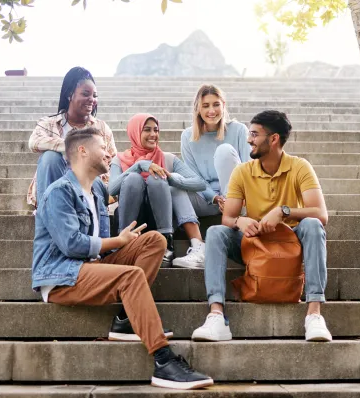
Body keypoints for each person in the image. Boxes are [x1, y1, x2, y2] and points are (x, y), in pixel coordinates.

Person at [32, 127, 213, 390]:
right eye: (102, 147)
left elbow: (100, 249)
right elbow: (71, 245)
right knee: (131, 276)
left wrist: (122, 245)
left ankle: (126, 320)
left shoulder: (95, 190)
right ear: (82, 151)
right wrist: (119, 242)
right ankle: (163, 361)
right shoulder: (60, 191)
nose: (108, 152)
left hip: (91, 267)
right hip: (61, 275)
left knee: (155, 241)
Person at [192, 110, 332, 343]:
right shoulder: (243, 171)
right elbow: (227, 218)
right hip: (253, 242)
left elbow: (321, 214)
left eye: (255, 134)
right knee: (216, 231)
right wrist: (240, 221)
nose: (249, 139)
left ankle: (314, 314)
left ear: (274, 139)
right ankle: (216, 315)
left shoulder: (300, 167)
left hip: (290, 242)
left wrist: (283, 211)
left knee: (313, 225)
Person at [108, 113, 206, 267]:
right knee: (133, 179)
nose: (153, 134)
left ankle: (167, 245)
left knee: (157, 178)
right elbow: (112, 189)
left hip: (161, 219)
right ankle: (124, 244)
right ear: (135, 132)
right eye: (147, 130)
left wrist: (171, 178)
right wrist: (139, 166)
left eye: (156, 130)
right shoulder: (119, 159)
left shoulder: (167, 158)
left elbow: (200, 183)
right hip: (132, 218)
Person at [172, 84, 251, 269]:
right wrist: (215, 198)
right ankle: (199, 247)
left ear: (223, 105)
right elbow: (194, 178)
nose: (211, 110)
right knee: (173, 184)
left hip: (238, 197)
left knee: (224, 151)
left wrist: (234, 198)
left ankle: (232, 215)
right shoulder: (188, 136)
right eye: (205, 105)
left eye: (216, 104)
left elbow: (249, 169)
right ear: (198, 109)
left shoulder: (239, 130)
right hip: (208, 199)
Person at [27, 66, 116, 208]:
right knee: (49, 157)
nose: (91, 100)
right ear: (70, 94)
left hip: (88, 188)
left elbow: (111, 162)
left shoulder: (101, 128)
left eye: (95, 96)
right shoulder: (50, 123)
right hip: (55, 186)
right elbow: (34, 142)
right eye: (86, 94)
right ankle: (49, 213)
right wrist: (71, 147)